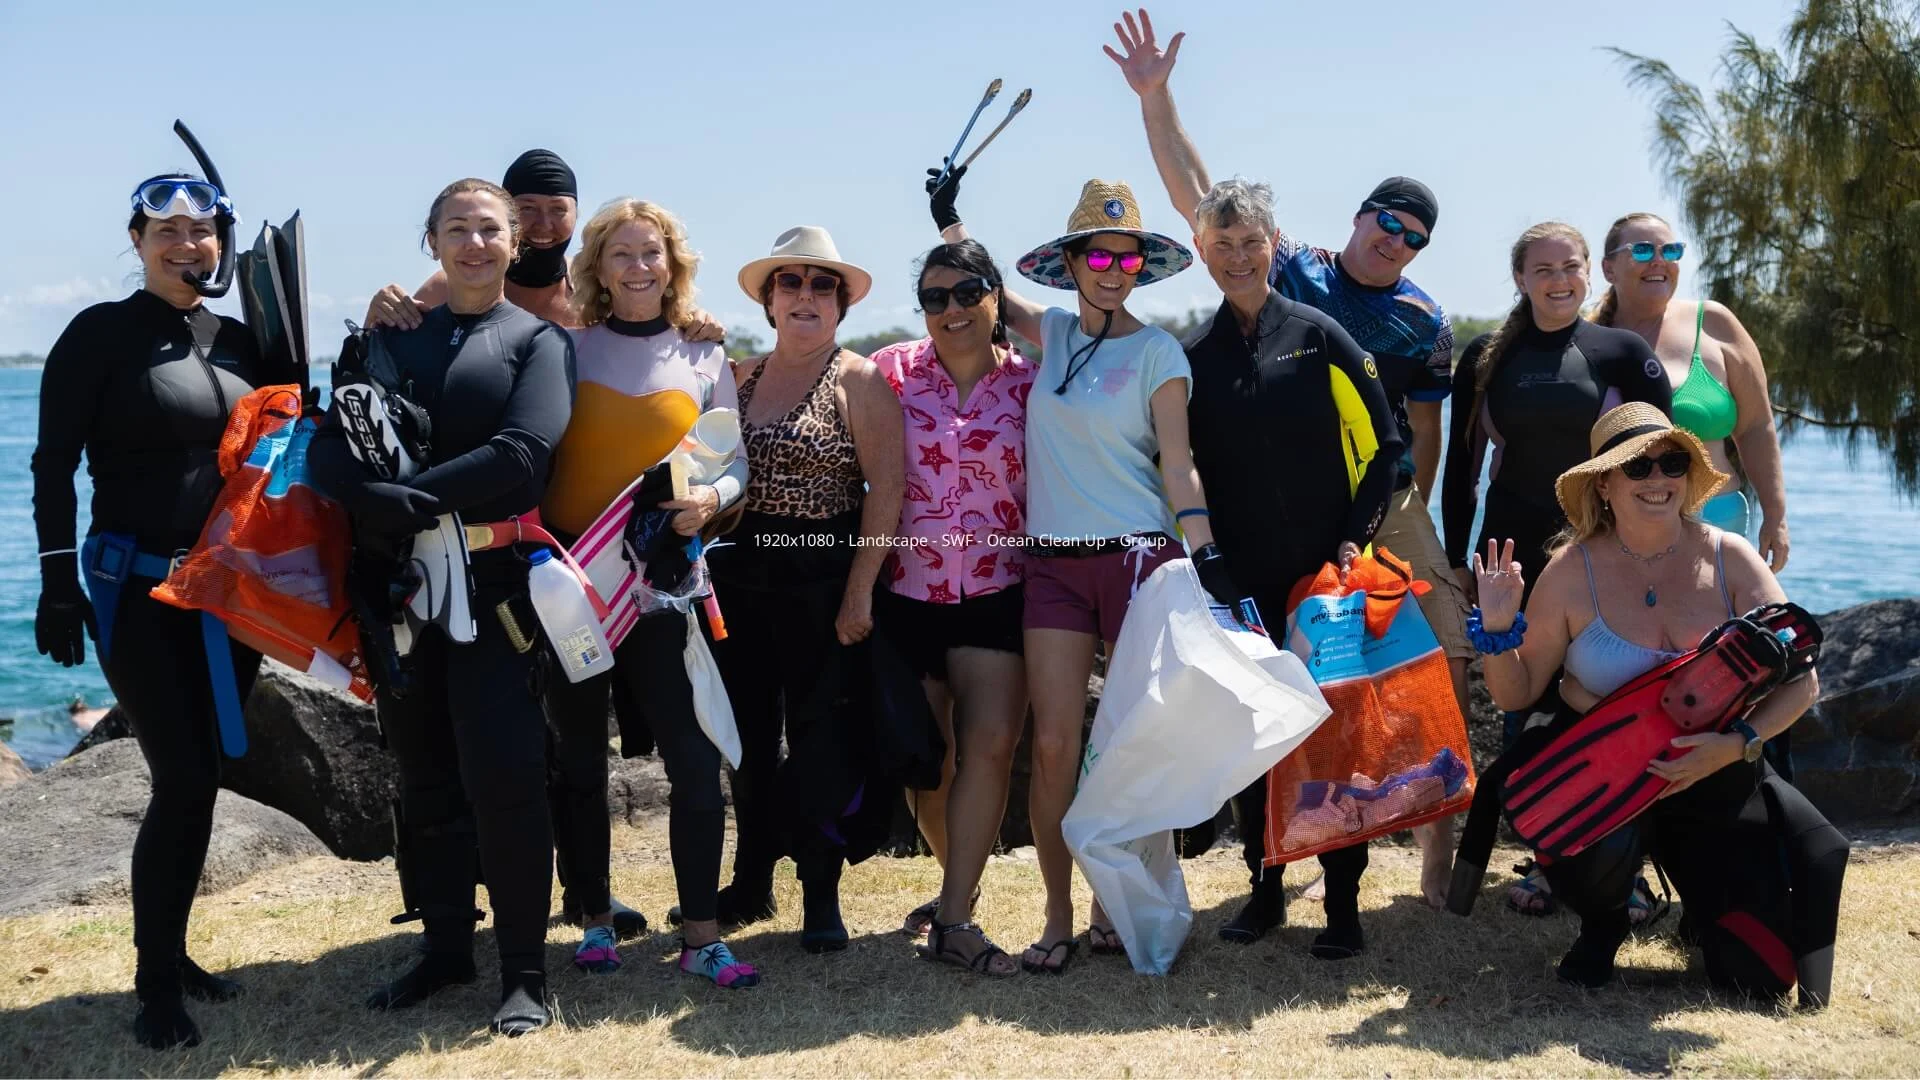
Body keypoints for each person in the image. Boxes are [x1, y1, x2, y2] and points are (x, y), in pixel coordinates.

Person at [1106, 7, 1469, 907]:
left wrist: (1395, 522)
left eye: (1413, 235)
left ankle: (1433, 847)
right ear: (1359, 216)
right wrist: (1155, 98)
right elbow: (1199, 194)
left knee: (1440, 654)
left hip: (1380, 495)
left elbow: (1420, 432)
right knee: (1268, 686)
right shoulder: (1295, 267)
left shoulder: (1425, 320)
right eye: (1387, 220)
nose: (1395, 239)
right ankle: (1272, 864)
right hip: (1272, 507)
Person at [359, 149, 652, 940]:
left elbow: (653, 333)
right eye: (531, 208)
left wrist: (698, 324)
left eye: (560, 208)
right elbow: (399, 377)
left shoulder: (592, 292)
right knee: (482, 743)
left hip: (575, 544)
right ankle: (454, 909)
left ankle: (589, 894)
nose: (546, 223)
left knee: (577, 735)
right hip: (479, 542)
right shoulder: (440, 289)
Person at [931, 168, 1217, 974]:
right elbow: (983, 283)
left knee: (1133, 743)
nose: (1114, 271)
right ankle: (1057, 916)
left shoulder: (1159, 351)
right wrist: (951, 221)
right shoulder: (1050, 332)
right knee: (1055, 746)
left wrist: (1206, 552)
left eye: (1128, 258)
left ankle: (1115, 904)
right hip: (1053, 565)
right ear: (1073, 262)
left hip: (1139, 561)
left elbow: (1178, 466)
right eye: (1099, 255)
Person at [311, 178, 575, 1036]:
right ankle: (446, 947)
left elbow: (523, 451)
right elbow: (325, 449)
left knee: (506, 778)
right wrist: (374, 505)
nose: (474, 242)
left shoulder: (537, 342)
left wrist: (406, 501)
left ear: (515, 243)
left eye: (490, 228)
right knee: (424, 777)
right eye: (456, 228)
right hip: (399, 590)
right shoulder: (390, 338)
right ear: (431, 242)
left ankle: (524, 973)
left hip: (494, 588)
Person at [1472, 402, 1846, 1001]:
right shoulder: (1570, 572)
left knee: (1760, 980)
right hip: (1607, 778)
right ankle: (1604, 922)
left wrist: (1736, 745)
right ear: (1604, 484)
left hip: (1714, 775)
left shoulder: (1731, 558)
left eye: (1672, 464)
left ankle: (1701, 907)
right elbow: (1516, 691)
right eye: (1637, 467)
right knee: (1592, 857)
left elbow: (1803, 681)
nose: (1658, 479)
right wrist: (1497, 630)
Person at [32, 168, 278, 1050]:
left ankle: (172, 952)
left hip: (227, 593)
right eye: (165, 231)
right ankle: (155, 985)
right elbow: (52, 463)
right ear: (136, 242)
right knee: (181, 774)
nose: (185, 244)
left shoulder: (245, 341)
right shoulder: (100, 335)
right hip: (136, 587)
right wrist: (57, 582)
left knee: (204, 774)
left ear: (221, 242)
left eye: (201, 231)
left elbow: (288, 449)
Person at [1172, 177, 1403, 955]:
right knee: (1253, 740)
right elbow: (1179, 471)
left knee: (1335, 741)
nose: (1238, 257)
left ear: (1274, 244)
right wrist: (1205, 560)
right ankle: (1264, 890)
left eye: (1251, 242)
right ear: (1202, 251)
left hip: (1322, 580)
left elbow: (1386, 450)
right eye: (1223, 244)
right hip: (1238, 582)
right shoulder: (1191, 358)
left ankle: (1343, 905)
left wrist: (1353, 542)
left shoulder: (1319, 334)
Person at [536, 199, 757, 986]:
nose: (638, 267)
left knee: (693, 762)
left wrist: (711, 499)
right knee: (578, 763)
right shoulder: (565, 349)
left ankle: (702, 937)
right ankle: (595, 921)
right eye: (621, 253)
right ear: (597, 267)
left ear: (673, 265)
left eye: (651, 252)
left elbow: (733, 462)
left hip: (661, 587)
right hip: (573, 586)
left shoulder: (704, 352)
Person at [1441, 220, 1672, 915]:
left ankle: (1628, 864)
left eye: (1569, 266)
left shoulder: (1622, 353)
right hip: (1511, 550)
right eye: (1542, 269)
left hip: (1603, 546)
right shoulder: (1487, 356)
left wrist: (1664, 550)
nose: (1558, 280)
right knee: (1526, 704)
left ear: (1589, 271)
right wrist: (1457, 558)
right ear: (1520, 279)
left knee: (1614, 697)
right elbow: (1462, 468)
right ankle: (1546, 858)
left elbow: (1663, 464)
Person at [706, 226, 904, 953]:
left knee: (823, 739)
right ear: (768, 301)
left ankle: (820, 892)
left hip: (822, 577)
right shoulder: (738, 376)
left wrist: (860, 593)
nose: (806, 295)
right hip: (739, 578)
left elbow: (888, 492)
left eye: (823, 285)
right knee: (746, 739)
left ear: (842, 305)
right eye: (789, 282)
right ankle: (750, 880)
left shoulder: (859, 380)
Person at [871, 240, 1036, 976]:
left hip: (1001, 590)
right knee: (926, 767)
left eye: (968, 293)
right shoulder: (887, 372)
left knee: (992, 746)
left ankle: (955, 919)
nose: (952, 310)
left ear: (996, 297)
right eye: (934, 298)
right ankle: (954, 887)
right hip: (905, 593)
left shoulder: (1035, 385)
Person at [1590, 212, 1788, 568]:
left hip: (1717, 519)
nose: (1659, 260)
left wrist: (1776, 515)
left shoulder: (1713, 323)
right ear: (1608, 269)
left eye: (1670, 251)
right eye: (1642, 251)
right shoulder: (1587, 340)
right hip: (1616, 529)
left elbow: (1757, 426)